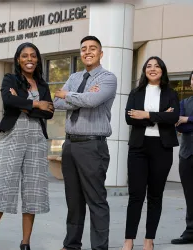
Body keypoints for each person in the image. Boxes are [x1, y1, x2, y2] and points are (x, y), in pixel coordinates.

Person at [0, 42, 54, 250]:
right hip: (13, 136)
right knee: (3, 188)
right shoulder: (10, 79)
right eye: (25, 56)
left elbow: (49, 112)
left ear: (38, 60)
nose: (29, 59)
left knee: (32, 191)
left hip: (37, 139)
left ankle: (25, 243)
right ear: (18, 59)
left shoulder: (42, 85)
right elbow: (7, 100)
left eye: (33, 55)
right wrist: (35, 104)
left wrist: (25, 105)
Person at [54, 35, 117, 250]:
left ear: (101, 53)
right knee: (73, 200)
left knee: (96, 200)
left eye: (92, 48)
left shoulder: (107, 78)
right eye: (83, 48)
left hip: (92, 146)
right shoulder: (74, 77)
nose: (87, 51)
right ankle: (71, 245)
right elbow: (56, 102)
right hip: (70, 145)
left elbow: (92, 101)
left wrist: (68, 95)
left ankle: (99, 248)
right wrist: (76, 97)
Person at [122, 56, 180, 250]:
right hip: (139, 147)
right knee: (136, 195)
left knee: (155, 196)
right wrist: (160, 116)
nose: (152, 69)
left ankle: (149, 240)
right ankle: (128, 240)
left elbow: (173, 117)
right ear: (144, 71)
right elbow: (129, 117)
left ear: (162, 71)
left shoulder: (170, 93)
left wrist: (146, 114)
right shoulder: (136, 92)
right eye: (149, 66)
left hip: (162, 148)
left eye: (157, 66)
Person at [171, 71, 193, 245]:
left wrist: (188, 120)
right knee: (189, 195)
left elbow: (185, 123)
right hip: (187, 154)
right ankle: (190, 232)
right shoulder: (184, 103)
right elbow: (180, 126)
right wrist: (185, 121)